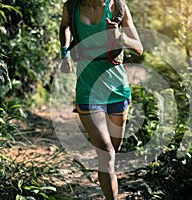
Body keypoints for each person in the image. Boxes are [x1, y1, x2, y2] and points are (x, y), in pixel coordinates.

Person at [59, 0, 143, 199]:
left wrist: (118, 36)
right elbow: (64, 27)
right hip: (88, 90)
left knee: (114, 148)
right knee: (105, 152)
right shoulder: (72, 6)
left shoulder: (118, 8)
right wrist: (65, 55)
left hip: (117, 90)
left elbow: (139, 47)